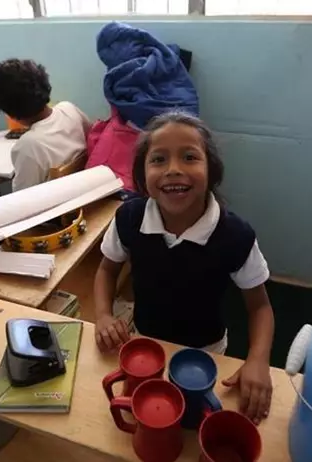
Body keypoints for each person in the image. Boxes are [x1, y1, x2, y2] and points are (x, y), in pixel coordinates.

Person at [93, 112, 275, 424]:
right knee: (146, 417)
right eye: (158, 159)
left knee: (196, 421)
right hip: (146, 342)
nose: (173, 169)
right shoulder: (129, 218)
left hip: (208, 351)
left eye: (189, 157)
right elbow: (106, 271)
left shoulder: (235, 236)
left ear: (211, 169)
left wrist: (258, 360)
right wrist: (103, 315)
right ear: (142, 173)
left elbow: (260, 307)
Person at [0, 58, 90, 270]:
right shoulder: (69, 109)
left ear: (12, 114)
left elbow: (20, 206)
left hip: (47, 225)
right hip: (77, 204)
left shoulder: (29, 145)